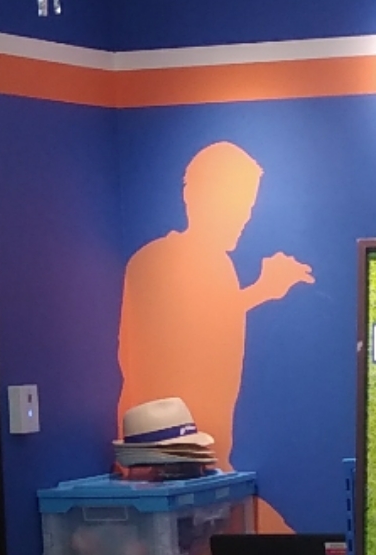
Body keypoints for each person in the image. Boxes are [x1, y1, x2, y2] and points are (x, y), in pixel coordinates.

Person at [117, 141, 312, 468]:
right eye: (232, 205)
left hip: (204, 464)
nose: (243, 218)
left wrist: (261, 291)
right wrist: (260, 291)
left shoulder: (218, 267)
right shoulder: (153, 262)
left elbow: (208, 320)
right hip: (159, 466)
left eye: (247, 206)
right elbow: (184, 337)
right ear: (193, 197)